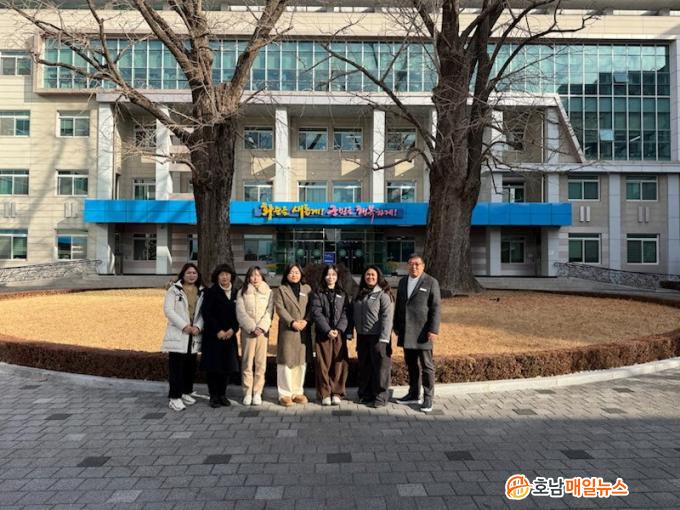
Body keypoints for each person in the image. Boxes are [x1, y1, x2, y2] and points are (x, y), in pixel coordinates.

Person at [393, 254, 441, 413]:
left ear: (423, 266)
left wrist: (433, 330)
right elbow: (399, 305)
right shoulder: (402, 282)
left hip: (423, 332)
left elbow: (435, 308)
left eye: (417, 264)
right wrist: (396, 325)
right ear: (408, 265)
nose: (414, 267)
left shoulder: (431, 282)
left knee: (427, 366)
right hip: (406, 331)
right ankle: (413, 394)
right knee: (411, 364)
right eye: (411, 264)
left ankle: (428, 398)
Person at [162, 262, 205, 412]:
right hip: (179, 333)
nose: (192, 275)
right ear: (183, 274)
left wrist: (198, 326)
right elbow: (168, 310)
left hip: (194, 334)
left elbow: (203, 313)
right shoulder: (174, 290)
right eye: (189, 273)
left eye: (194, 273)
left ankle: (186, 392)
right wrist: (184, 326)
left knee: (190, 366)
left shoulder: (202, 291)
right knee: (176, 367)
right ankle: (174, 397)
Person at [352, 265, 394, 408]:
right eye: (367, 274)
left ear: (378, 277)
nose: (370, 277)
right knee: (365, 366)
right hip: (363, 336)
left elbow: (387, 317)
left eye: (373, 275)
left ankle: (381, 396)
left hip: (378, 337)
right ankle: (366, 394)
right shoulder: (360, 293)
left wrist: (384, 339)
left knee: (380, 368)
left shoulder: (383, 294)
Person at [201, 263, 240, 408]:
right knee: (213, 367)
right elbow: (207, 313)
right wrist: (218, 330)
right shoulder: (211, 292)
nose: (225, 277)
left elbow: (240, 314)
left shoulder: (236, 293)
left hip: (230, 335)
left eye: (227, 274)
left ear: (231, 276)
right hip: (213, 336)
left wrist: (233, 329)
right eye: (221, 274)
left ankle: (223, 395)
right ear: (217, 277)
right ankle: (214, 396)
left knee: (227, 366)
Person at [311, 264, 350, 406]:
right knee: (323, 364)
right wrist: (327, 330)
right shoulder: (317, 293)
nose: (330, 277)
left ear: (337, 277)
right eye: (328, 274)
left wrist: (338, 330)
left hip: (339, 334)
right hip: (323, 334)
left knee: (339, 363)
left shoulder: (343, 294)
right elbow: (316, 313)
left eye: (333, 274)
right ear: (324, 276)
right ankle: (325, 393)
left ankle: (337, 392)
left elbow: (346, 313)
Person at [273, 263, 312, 407]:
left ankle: (297, 392)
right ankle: (285, 394)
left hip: (303, 330)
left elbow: (312, 307)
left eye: (297, 272)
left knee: (300, 362)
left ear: (301, 274)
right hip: (288, 330)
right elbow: (279, 308)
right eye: (291, 272)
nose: (294, 275)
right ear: (286, 274)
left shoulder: (307, 289)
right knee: (286, 361)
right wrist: (291, 322)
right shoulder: (282, 290)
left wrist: (306, 321)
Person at [235, 266, 273, 406]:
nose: (255, 278)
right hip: (247, 332)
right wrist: (251, 327)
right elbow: (240, 312)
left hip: (262, 333)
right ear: (248, 277)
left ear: (262, 277)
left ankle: (257, 393)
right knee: (247, 362)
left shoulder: (269, 292)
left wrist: (261, 327)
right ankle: (247, 392)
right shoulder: (242, 292)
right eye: (252, 275)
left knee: (260, 363)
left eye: (258, 275)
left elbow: (270, 311)